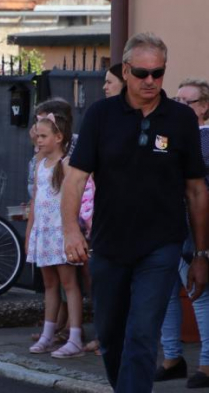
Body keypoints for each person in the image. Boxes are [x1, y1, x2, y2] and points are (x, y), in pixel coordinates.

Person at [62, 33, 209, 392]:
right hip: (109, 245)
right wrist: (70, 230)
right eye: (142, 73)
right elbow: (76, 178)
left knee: (143, 332)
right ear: (126, 71)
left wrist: (201, 254)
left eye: (158, 74)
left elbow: (195, 189)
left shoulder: (180, 120)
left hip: (162, 245)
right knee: (111, 337)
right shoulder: (101, 115)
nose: (150, 81)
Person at [155, 77, 209, 388]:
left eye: (185, 101)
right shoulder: (171, 135)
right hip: (168, 222)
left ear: (203, 107)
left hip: (194, 226)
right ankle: (172, 357)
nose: (177, 106)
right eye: (175, 100)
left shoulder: (203, 137)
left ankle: (206, 363)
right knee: (165, 292)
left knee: (198, 294)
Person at [26, 112, 85, 358]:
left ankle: (75, 337)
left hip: (61, 232)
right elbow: (36, 201)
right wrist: (30, 233)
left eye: (43, 136)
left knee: (69, 283)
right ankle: (48, 334)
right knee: (50, 284)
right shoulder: (40, 165)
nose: (38, 140)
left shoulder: (67, 164)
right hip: (44, 232)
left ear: (58, 137)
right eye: (37, 136)